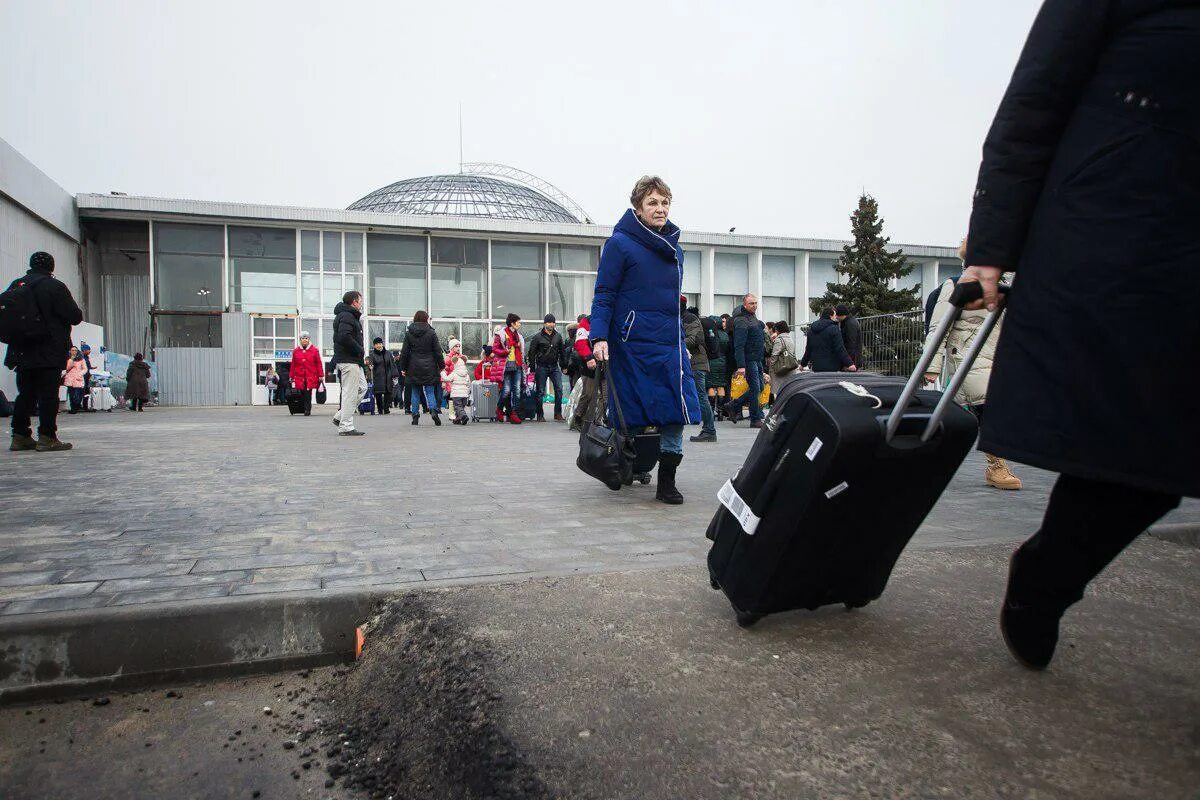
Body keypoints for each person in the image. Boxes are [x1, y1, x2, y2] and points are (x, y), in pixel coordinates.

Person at [960, 0, 1198, 670]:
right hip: (1131, 242)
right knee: (1140, 462)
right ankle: (1047, 577)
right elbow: (1032, 110)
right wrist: (991, 248)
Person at [590, 175, 701, 504]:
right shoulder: (620, 244)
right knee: (629, 411)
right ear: (637, 208)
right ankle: (624, 464)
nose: (660, 208)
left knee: (674, 410)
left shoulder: (675, 249)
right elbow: (605, 294)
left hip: (669, 343)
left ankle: (667, 480)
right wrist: (599, 336)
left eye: (665, 202)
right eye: (652, 202)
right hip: (631, 343)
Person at [922, 257, 1021, 491]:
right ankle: (996, 465)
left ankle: (930, 458)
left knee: (960, 415)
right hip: (967, 358)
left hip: (994, 359)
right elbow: (939, 326)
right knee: (986, 408)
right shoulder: (956, 285)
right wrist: (931, 365)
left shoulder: (1003, 287)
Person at [5, 252, 84, 451]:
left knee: (25, 393)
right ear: (51, 267)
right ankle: (47, 436)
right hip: (48, 349)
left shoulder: (17, 285)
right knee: (48, 395)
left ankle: (20, 435)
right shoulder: (54, 287)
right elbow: (75, 316)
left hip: (21, 350)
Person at [723, 294, 767, 429]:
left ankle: (733, 405)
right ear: (745, 305)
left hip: (757, 359)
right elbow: (739, 345)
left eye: (755, 303)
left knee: (760, 387)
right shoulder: (741, 320)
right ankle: (755, 419)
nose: (754, 305)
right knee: (755, 388)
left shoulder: (753, 318)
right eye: (751, 303)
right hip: (749, 359)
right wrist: (741, 366)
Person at [398, 310, 444, 426]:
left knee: (415, 391)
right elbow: (438, 351)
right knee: (430, 391)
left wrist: (403, 367)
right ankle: (433, 411)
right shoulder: (431, 333)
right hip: (430, 366)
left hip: (413, 366)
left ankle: (415, 415)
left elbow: (404, 352)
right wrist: (441, 365)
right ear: (426, 319)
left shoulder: (409, 333)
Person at [331, 290, 367, 436]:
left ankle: (340, 416)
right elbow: (344, 336)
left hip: (353, 360)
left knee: (362, 388)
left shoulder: (350, 315)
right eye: (360, 300)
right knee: (349, 392)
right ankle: (345, 426)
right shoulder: (346, 315)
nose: (362, 303)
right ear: (354, 302)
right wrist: (359, 349)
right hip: (348, 359)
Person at [682, 300, 716, 443]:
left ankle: (709, 430)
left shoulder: (690, 318)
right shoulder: (681, 317)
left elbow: (693, 339)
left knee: (700, 396)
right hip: (690, 363)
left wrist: (674, 342)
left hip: (696, 363)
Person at [525, 314, 568, 422]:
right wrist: (532, 367)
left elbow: (562, 352)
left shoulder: (558, 336)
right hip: (542, 367)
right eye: (549, 322)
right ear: (545, 323)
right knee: (540, 391)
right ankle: (540, 414)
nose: (551, 324)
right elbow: (532, 353)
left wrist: (564, 366)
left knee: (559, 389)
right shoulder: (537, 337)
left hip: (554, 367)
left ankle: (557, 413)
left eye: (553, 322)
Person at [492, 313, 525, 425]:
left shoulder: (519, 336)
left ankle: (513, 413)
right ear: (512, 323)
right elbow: (495, 349)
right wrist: (504, 351)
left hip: (517, 365)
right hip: (506, 366)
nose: (520, 324)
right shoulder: (501, 334)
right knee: (506, 390)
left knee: (517, 391)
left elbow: (521, 351)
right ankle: (499, 409)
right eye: (518, 322)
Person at [800, 308, 855, 373]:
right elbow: (840, 348)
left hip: (816, 367)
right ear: (830, 316)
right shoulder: (834, 329)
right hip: (832, 368)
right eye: (835, 315)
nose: (836, 318)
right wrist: (850, 364)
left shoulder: (811, 330)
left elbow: (808, 349)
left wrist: (802, 364)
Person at [568, 314, 598, 431]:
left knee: (605, 396)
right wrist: (589, 357)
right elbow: (580, 343)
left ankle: (599, 422)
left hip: (606, 364)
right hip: (589, 365)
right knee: (588, 394)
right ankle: (578, 418)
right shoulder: (586, 322)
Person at [289, 330, 323, 416]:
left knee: (308, 393)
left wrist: (321, 375)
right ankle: (302, 408)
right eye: (302, 338)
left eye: (306, 338)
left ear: (309, 339)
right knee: (301, 393)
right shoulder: (296, 351)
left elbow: (318, 363)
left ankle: (307, 409)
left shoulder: (314, 350)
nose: (304, 340)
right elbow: (293, 364)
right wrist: (291, 376)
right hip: (299, 376)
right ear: (300, 340)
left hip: (310, 376)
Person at [707, 315, 731, 422]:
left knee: (711, 386)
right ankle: (721, 412)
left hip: (711, 362)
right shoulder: (725, 335)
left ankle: (711, 411)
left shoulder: (710, 335)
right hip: (723, 363)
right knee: (721, 386)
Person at [368, 337, 395, 415]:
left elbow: (392, 364)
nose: (378, 345)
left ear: (382, 344)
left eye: (380, 344)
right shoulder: (372, 355)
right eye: (376, 344)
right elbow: (370, 364)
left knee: (388, 393)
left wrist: (394, 374)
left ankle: (386, 409)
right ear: (374, 346)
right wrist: (370, 367)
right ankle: (380, 409)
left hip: (388, 376)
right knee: (378, 394)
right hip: (378, 377)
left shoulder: (388, 353)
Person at [767, 320, 797, 386]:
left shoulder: (779, 339)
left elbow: (775, 355)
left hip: (781, 370)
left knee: (778, 391)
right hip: (790, 368)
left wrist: (771, 369)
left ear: (778, 330)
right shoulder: (790, 338)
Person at [834, 305, 863, 369]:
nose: (836, 317)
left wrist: (848, 362)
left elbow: (851, 344)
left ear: (842, 315)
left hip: (852, 361)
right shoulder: (846, 322)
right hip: (851, 360)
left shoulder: (850, 324)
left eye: (837, 315)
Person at [446, 351, 471, 425]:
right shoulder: (466, 374)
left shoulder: (454, 373)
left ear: (455, 364)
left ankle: (464, 416)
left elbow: (447, 379)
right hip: (465, 395)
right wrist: (468, 392)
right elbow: (469, 384)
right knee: (461, 408)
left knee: (457, 407)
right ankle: (458, 419)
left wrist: (442, 373)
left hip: (456, 394)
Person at [64, 346, 88, 414]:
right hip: (70, 379)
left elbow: (85, 369)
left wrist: (80, 374)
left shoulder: (81, 359)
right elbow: (67, 368)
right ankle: (73, 409)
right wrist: (71, 359)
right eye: (72, 350)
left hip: (78, 378)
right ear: (70, 351)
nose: (74, 351)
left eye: (75, 350)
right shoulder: (68, 359)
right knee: (71, 395)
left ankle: (76, 406)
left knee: (77, 395)